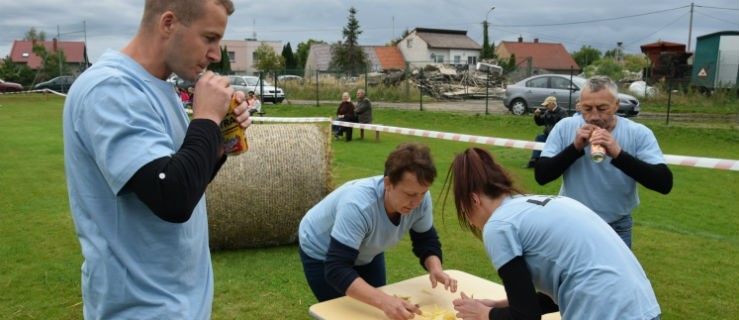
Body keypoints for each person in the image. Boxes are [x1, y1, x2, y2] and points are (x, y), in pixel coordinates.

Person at [62, 0, 250, 318]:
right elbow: (170, 195)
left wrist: (217, 138)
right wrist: (204, 118)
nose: (216, 54)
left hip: (175, 304)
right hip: (140, 309)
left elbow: (184, 180)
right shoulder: (110, 88)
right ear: (168, 24)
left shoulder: (159, 89)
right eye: (209, 38)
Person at [444, 147, 661, 320]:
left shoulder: (498, 225)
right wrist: (498, 306)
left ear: (474, 200)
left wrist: (484, 315)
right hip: (642, 306)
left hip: (605, 310)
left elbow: (524, 317)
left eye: (464, 211)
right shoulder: (536, 205)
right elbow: (557, 293)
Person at [298, 142, 458, 320]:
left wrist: (435, 268)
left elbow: (425, 241)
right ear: (388, 183)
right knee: (347, 314)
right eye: (410, 194)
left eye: (423, 192)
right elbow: (337, 269)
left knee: (378, 312)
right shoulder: (358, 206)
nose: (417, 202)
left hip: (366, 251)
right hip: (321, 251)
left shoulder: (421, 199)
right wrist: (384, 301)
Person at [534, 75, 672, 248]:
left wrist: (618, 154)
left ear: (616, 104)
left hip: (616, 226)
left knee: (615, 276)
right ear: (579, 105)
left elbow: (664, 183)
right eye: (587, 108)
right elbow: (541, 175)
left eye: (602, 108)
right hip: (572, 221)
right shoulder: (565, 127)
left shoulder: (638, 133)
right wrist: (575, 148)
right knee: (568, 275)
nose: (594, 117)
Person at [524, 96, 568, 168]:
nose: (545, 107)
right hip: (548, 135)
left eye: (547, 105)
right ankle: (534, 159)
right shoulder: (547, 112)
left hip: (558, 137)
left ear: (552, 104)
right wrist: (537, 116)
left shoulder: (562, 112)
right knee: (539, 137)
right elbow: (540, 123)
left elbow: (564, 126)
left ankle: (549, 163)